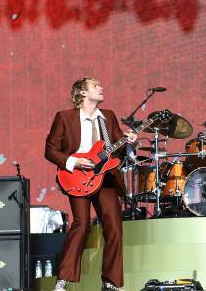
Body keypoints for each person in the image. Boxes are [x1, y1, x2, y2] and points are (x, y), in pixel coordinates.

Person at [45, 77, 137, 291]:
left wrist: (130, 143)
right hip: (77, 177)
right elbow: (50, 150)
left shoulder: (108, 117)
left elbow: (118, 149)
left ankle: (111, 282)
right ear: (82, 93)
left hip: (105, 177)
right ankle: (63, 280)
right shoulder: (65, 117)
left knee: (114, 226)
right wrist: (74, 161)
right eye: (95, 86)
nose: (101, 88)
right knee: (81, 224)